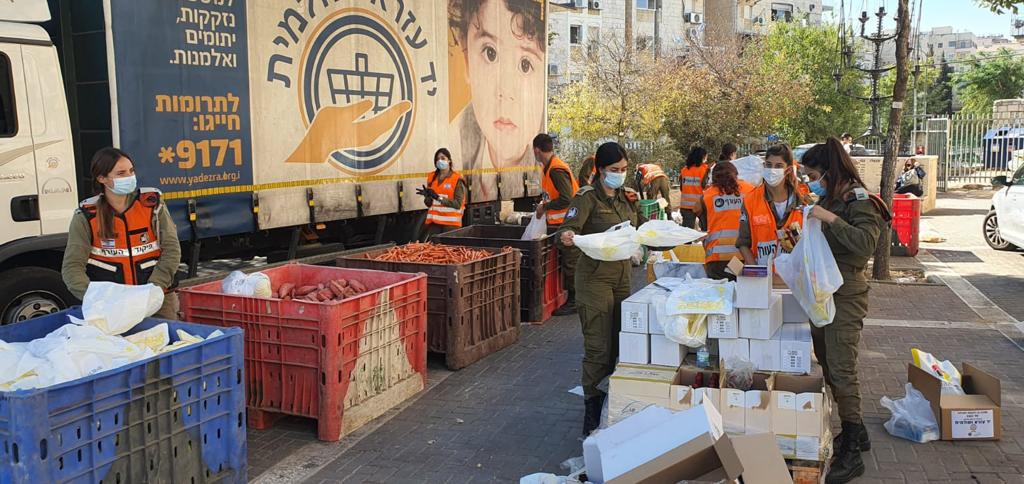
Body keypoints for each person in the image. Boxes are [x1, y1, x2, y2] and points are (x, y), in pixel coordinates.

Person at [801, 137, 890, 484]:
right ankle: (858, 431)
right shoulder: (830, 196)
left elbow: (866, 244)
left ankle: (851, 448)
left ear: (827, 171)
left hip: (846, 294)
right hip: (826, 291)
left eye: (812, 174)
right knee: (827, 363)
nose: (809, 180)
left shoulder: (857, 199)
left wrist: (828, 219)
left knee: (842, 367)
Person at [557, 142, 640, 436]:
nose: (619, 175)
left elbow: (637, 228)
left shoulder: (625, 198)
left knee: (620, 344)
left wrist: (637, 207)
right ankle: (591, 416)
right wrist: (567, 235)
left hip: (622, 277)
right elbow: (566, 230)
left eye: (623, 170)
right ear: (600, 170)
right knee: (598, 349)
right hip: (594, 280)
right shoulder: (587, 197)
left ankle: (611, 408)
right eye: (614, 170)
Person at [61, 148, 181, 319]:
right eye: (121, 173)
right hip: (112, 306)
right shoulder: (86, 216)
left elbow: (172, 250)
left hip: (158, 299)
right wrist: (97, 299)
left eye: (131, 171)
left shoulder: (151, 205)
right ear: (102, 179)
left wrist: (155, 288)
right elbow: (72, 268)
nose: (130, 177)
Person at [448, 0, 546, 201]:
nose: (505, 91)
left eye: (525, 64)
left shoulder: (547, 171)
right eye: (490, 53)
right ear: (467, 61)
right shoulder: (452, 142)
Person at [737, 144, 811, 266]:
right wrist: (755, 271)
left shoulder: (802, 200)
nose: (772, 170)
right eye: (769, 165)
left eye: (778, 166)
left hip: (795, 278)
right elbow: (743, 242)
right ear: (764, 166)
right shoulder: (750, 200)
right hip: (763, 276)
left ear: (787, 170)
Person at [534, 133, 581, 316]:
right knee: (568, 262)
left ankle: (574, 301)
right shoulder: (550, 167)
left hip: (568, 223)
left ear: (537, 150)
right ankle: (572, 298)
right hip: (561, 222)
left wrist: (545, 207)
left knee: (570, 263)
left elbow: (566, 197)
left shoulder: (555, 169)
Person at [700, 161, 755, 280]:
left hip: (717, 261)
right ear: (736, 174)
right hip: (746, 257)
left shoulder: (707, 196)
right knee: (745, 295)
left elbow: (704, 229)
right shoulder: (750, 190)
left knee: (720, 296)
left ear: (714, 177)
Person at [417, 148, 467, 241]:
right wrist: (427, 197)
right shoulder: (432, 178)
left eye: (443, 158)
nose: (440, 160)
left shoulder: (457, 179)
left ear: (449, 161)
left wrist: (438, 197)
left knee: (449, 252)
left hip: (451, 225)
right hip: (434, 224)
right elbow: (429, 204)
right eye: (437, 159)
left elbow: (457, 204)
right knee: (434, 251)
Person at [679, 147, 709, 229]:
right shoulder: (705, 169)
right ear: (703, 157)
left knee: (687, 234)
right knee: (706, 230)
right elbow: (706, 187)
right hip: (701, 205)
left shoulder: (684, 170)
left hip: (686, 206)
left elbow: (682, 188)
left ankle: (687, 242)